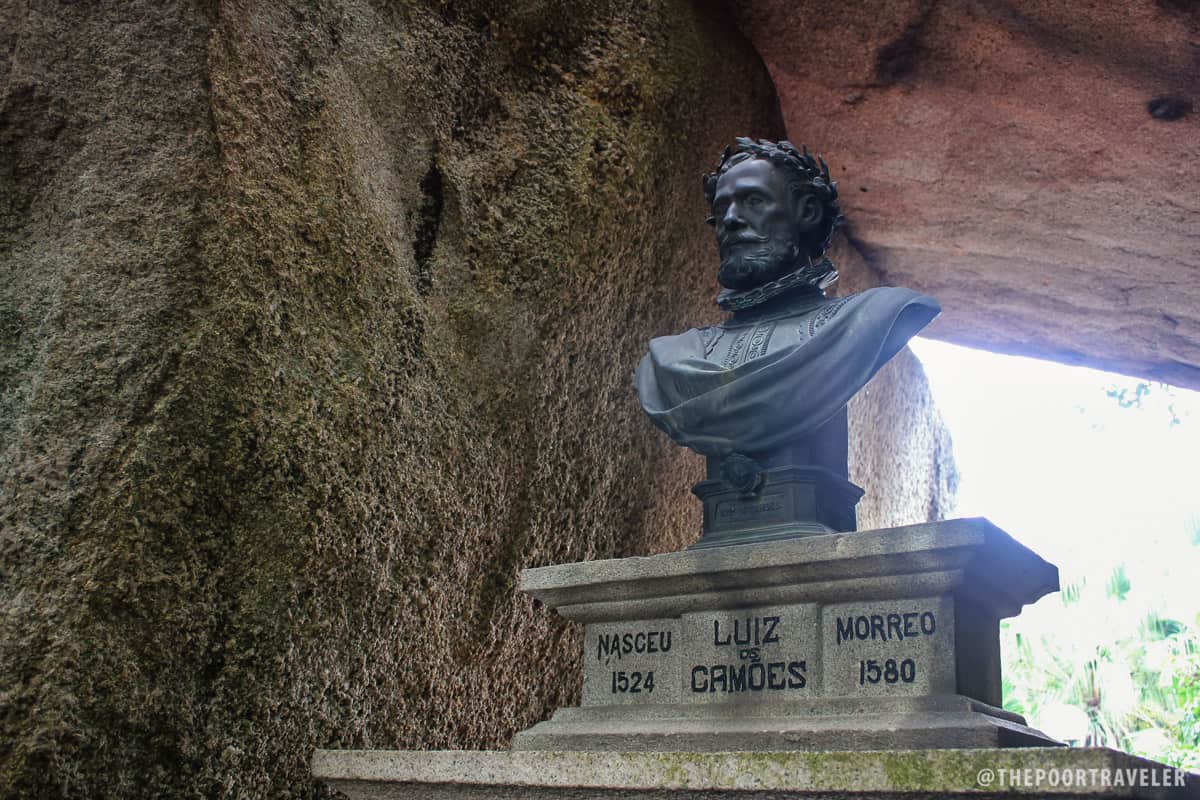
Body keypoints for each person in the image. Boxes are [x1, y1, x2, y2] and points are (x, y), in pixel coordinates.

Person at [636, 138, 940, 490]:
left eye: (753, 201)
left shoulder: (872, 317)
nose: (732, 220)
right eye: (722, 209)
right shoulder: (670, 359)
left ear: (807, 213)